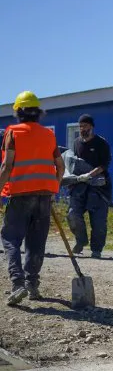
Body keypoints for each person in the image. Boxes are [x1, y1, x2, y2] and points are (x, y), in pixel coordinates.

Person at [1, 91, 65, 305]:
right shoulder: (49, 135)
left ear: (18, 112)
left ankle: (18, 284)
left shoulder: (13, 133)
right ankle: (32, 285)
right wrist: (53, 188)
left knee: (10, 238)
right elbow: (60, 166)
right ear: (38, 112)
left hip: (21, 195)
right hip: (44, 196)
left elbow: (7, 166)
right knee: (36, 242)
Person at [67, 113, 112, 259]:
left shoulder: (101, 143)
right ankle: (81, 240)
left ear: (91, 127)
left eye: (85, 126)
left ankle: (96, 249)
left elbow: (104, 165)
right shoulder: (76, 143)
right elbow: (73, 162)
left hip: (98, 187)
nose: (82, 129)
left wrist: (90, 175)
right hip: (79, 185)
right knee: (73, 214)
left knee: (98, 221)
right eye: (80, 126)